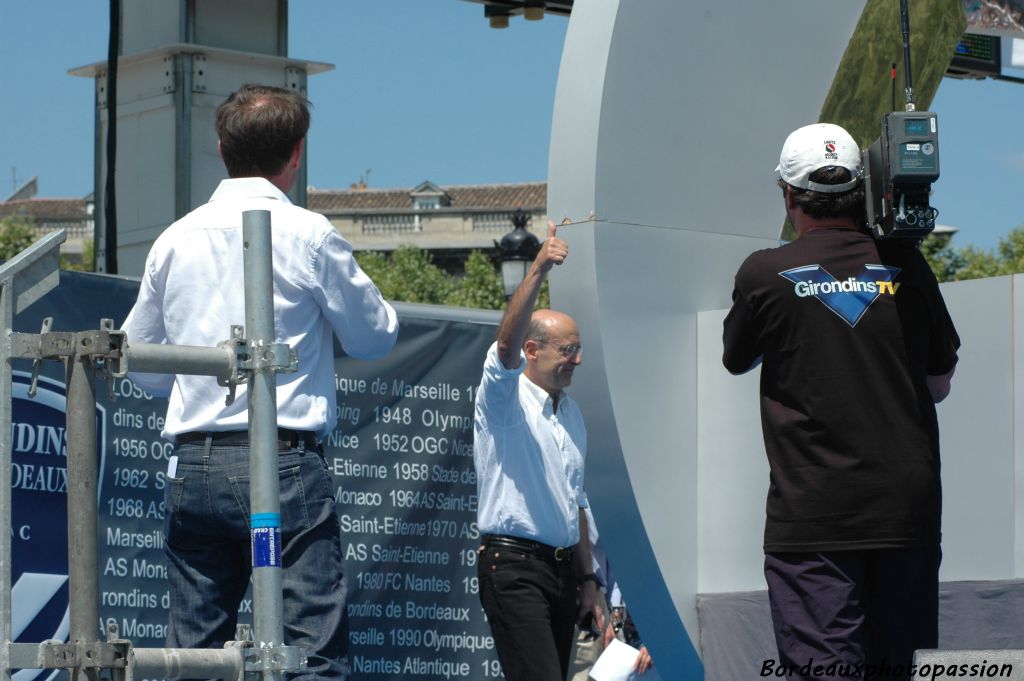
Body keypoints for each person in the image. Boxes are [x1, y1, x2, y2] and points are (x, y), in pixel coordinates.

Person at [121, 83, 399, 680]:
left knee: (192, 656)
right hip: (286, 464)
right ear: (297, 153)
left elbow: (138, 358)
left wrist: (199, 393)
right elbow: (375, 336)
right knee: (310, 652)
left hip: (194, 463)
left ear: (222, 150)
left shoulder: (174, 239)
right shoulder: (308, 234)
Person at [722, 123, 959, 680]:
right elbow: (940, 382)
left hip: (813, 516)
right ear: (863, 190)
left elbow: (737, 357)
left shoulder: (764, 273)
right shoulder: (908, 263)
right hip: (906, 510)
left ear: (788, 195)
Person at [473, 220, 603, 681]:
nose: (578, 359)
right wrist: (539, 268)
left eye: (580, 348)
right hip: (514, 566)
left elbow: (577, 502)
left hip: (563, 570)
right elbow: (504, 343)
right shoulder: (503, 399)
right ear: (532, 350)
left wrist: (589, 582)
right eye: (569, 349)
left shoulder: (571, 413)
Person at [568, 508, 653, 680]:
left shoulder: (606, 501)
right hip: (536, 595)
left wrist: (613, 622)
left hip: (588, 608)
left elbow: (619, 571)